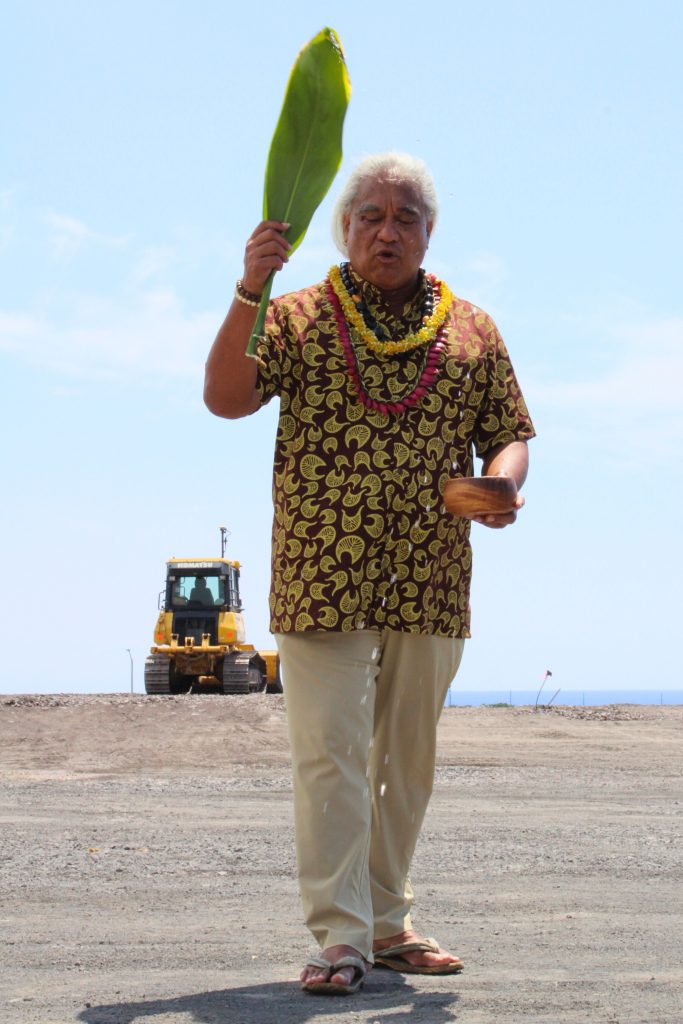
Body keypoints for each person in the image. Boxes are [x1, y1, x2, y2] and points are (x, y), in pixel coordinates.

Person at [204, 152, 535, 995]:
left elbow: (510, 429)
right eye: (370, 217)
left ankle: (388, 922)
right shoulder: (297, 315)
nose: (387, 231)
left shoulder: (471, 328)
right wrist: (250, 288)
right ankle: (342, 937)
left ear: (429, 233)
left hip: (429, 574)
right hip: (323, 571)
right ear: (343, 228)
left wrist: (501, 484)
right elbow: (225, 397)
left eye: (405, 218)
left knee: (407, 760)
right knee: (330, 756)